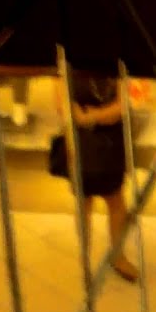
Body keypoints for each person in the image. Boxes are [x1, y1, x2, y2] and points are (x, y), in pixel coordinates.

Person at [55, 71, 138, 282]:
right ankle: (84, 259)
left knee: (116, 200)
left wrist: (89, 117)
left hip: (110, 142)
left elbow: (122, 107)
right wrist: (96, 116)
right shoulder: (66, 65)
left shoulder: (114, 64)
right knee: (83, 203)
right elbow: (62, 105)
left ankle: (118, 256)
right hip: (80, 143)